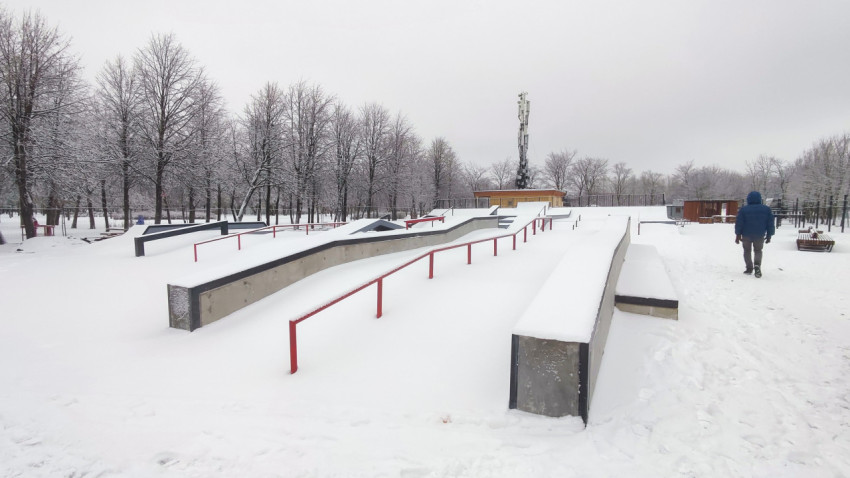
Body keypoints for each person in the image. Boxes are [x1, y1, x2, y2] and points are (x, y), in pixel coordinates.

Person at [735, 191, 775, 278]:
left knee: (747, 251)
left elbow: (739, 223)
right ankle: (757, 265)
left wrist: (738, 235)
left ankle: (749, 268)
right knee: (758, 251)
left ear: (748, 199)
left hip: (746, 234)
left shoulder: (744, 209)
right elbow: (770, 223)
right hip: (759, 234)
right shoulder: (766, 209)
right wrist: (769, 235)